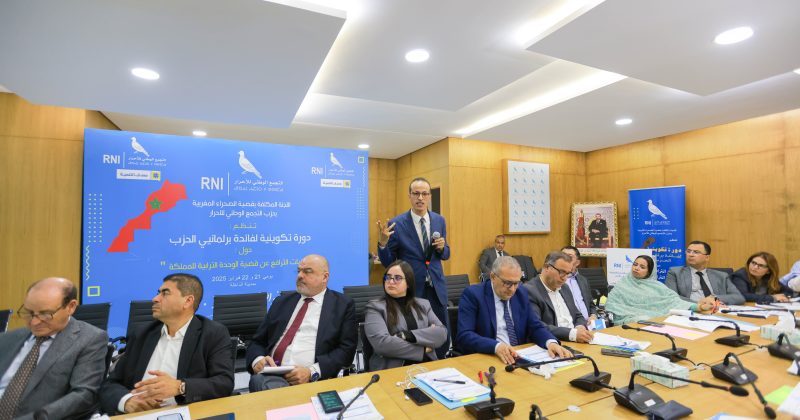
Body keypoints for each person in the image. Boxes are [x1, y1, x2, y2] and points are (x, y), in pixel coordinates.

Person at [100, 273, 233, 415]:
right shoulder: (142, 334)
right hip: (138, 416)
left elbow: (224, 383)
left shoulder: (212, 334)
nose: (155, 299)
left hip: (185, 414)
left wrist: (180, 387)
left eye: (165, 293)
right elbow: (110, 384)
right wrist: (127, 401)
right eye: (158, 293)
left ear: (188, 301)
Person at [0, 278, 107, 420]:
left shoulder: (89, 339)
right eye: (29, 312)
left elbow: (83, 395)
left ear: (71, 307)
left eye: (45, 314)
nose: (34, 322)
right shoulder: (7, 338)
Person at [247, 254, 357, 391]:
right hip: (271, 373)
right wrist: (257, 360)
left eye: (307, 271)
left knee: (269, 389)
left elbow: (346, 350)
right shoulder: (281, 302)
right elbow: (257, 341)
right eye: (299, 271)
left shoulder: (342, 305)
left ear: (324, 277)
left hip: (312, 379)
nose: (299, 276)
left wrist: (312, 372)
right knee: (261, 382)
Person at [377, 177, 450, 358]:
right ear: (409, 196)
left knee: (442, 333)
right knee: (417, 332)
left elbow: (446, 254)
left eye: (424, 194)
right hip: (413, 288)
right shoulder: (397, 223)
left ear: (430, 196)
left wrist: (442, 248)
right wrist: (383, 244)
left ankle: (441, 363)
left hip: (436, 288)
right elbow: (388, 262)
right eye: (416, 193)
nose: (420, 198)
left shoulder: (439, 220)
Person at [456, 256, 573, 365]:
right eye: (507, 283)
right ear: (493, 277)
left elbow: (535, 326)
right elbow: (464, 335)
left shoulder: (521, 293)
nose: (512, 289)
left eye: (516, 283)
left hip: (519, 356)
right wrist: (496, 346)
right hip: (489, 358)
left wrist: (550, 342)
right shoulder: (473, 295)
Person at [364, 260, 447, 371]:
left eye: (397, 278)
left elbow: (442, 333)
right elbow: (382, 344)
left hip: (426, 367)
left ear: (408, 283)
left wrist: (407, 335)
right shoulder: (375, 307)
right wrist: (423, 349)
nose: (391, 281)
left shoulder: (423, 304)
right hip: (391, 370)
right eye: (388, 277)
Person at [606, 256, 716, 325]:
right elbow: (611, 305)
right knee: (643, 319)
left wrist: (698, 307)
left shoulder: (657, 286)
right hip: (631, 319)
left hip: (658, 320)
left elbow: (674, 301)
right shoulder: (622, 284)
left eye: (642, 267)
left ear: (649, 272)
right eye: (635, 264)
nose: (636, 268)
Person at [524, 252, 593, 343]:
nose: (564, 278)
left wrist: (579, 327)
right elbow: (537, 326)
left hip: (577, 341)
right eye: (561, 272)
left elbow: (578, 315)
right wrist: (572, 334)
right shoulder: (530, 291)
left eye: (568, 273)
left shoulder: (565, 288)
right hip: (553, 342)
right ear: (546, 267)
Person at [665, 240, 745, 305]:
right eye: (688, 251)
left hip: (716, 310)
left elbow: (738, 297)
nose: (690, 255)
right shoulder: (675, 272)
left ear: (707, 257)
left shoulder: (721, 276)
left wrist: (714, 298)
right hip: (691, 310)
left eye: (696, 252)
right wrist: (700, 304)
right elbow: (672, 298)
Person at [560, 246, 597, 323]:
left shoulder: (583, 280)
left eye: (569, 256)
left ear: (577, 263)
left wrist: (593, 315)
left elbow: (591, 304)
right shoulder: (557, 280)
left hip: (589, 324)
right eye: (562, 255)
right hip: (570, 325)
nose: (565, 259)